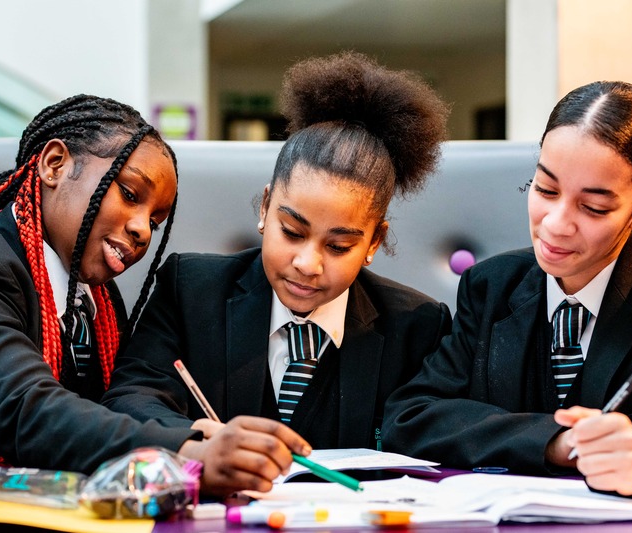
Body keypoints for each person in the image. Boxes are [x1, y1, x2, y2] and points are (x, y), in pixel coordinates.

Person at [383, 81, 632, 502]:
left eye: (593, 207)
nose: (555, 223)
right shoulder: (491, 287)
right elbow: (413, 415)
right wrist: (555, 441)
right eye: (545, 189)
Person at [0, 95, 310, 497]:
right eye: (131, 194)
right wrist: (185, 452)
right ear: (54, 165)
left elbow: (103, 413)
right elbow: (25, 409)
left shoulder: (96, 301)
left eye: (156, 220)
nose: (143, 231)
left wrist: (187, 432)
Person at [103, 51, 452, 457]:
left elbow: (432, 438)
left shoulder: (417, 327)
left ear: (374, 242)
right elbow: (129, 399)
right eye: (292, 231)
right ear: (266, 208)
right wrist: (199, 441)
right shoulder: (189, 289)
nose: (307, 264)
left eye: (338, 246)